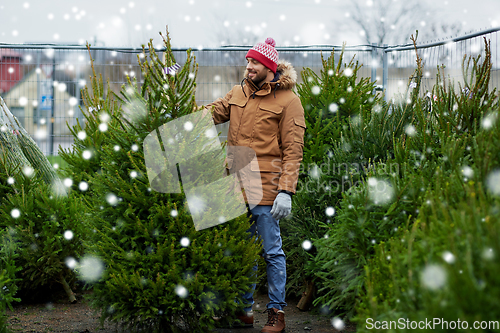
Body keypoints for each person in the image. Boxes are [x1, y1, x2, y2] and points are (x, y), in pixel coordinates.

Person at [205, 37, 306, 333]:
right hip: (235, 186)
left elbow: (293, 149)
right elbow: (212, 112)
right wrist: (175, 103)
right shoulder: (238, 93)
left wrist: (286, 191)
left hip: (266, 187)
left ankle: (276, 313)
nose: (248, 67)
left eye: (254, 63)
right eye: (247, 62)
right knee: (242, 250)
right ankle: (243, 310)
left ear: (269, 68)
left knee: (271, 252)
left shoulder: (289, 101)